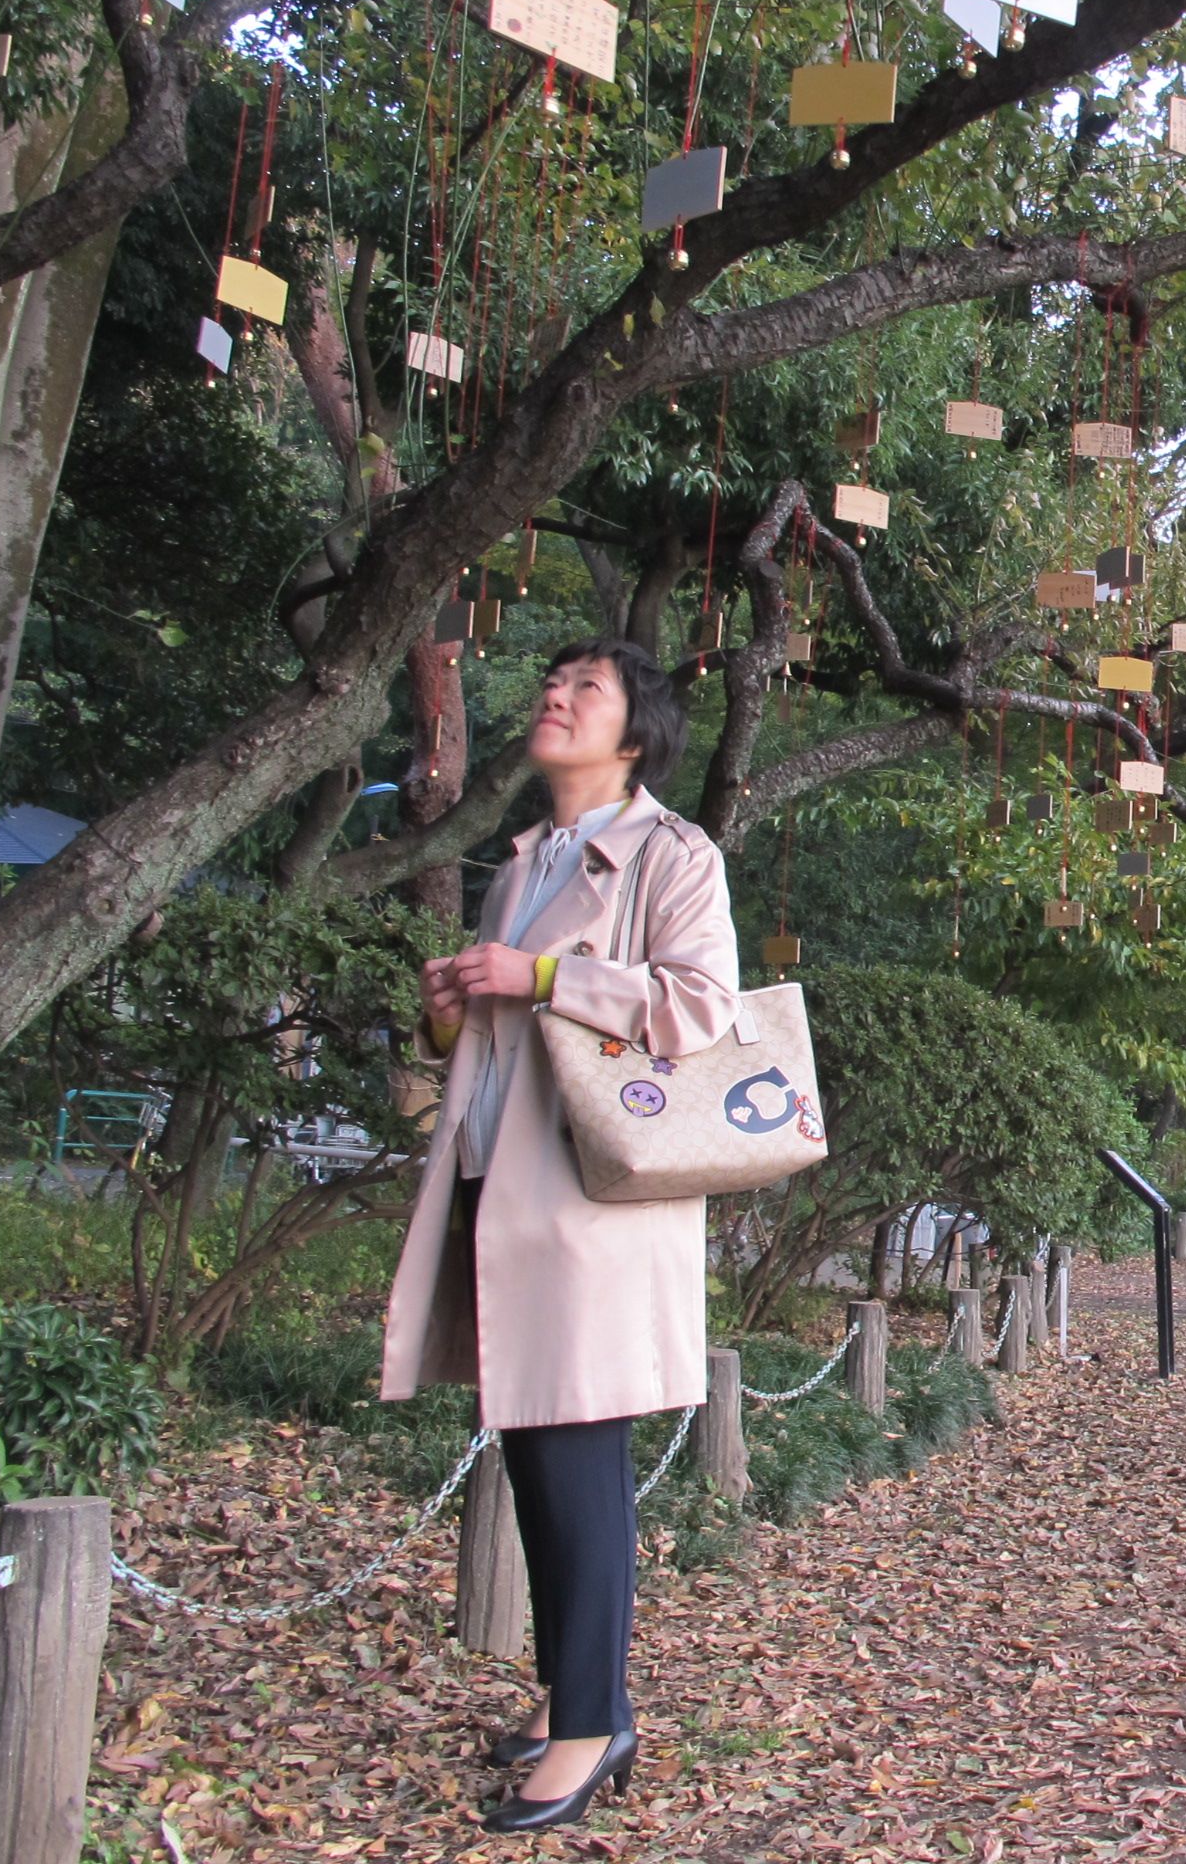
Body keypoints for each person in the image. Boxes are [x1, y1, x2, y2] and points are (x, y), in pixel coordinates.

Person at [382, 640, 736, 1832]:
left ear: (633, 737)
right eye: (553, 682)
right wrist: (447, 1018)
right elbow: (492, 1037)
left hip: (590, 1201)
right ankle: (572, 1696)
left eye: (587, 689)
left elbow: (698, 1007)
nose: (555, 697)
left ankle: (592, 1726)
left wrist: (540, 975)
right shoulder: (524, 860)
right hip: (501, 1182)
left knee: (577, 1456)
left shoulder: (673, 855)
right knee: (531, 1450)